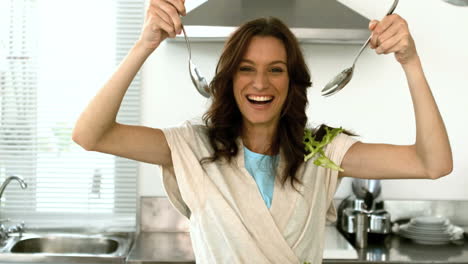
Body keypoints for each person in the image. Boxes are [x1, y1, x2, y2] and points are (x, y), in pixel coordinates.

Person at [72, 0, 453, 263]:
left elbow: (432, 163)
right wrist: (145, 43)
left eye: (276, 69)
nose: (260, 83)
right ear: (228, 78)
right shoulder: (193, 146)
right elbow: (91, 135)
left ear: (292, 82)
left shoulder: (319, 148)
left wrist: (411, 61)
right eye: (246, 68)